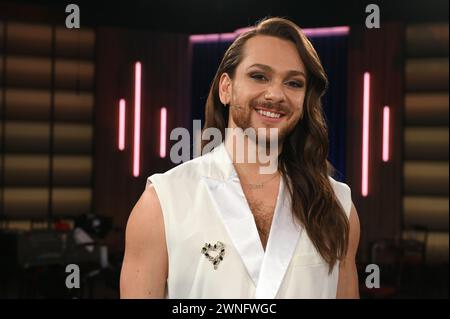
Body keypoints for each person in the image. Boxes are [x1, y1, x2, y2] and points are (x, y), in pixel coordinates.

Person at [120, 17, 360, 299]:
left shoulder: (338, 206)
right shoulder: (162, 203)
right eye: (259, 76)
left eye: (294, 83)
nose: (275, 94)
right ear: (226, 88)